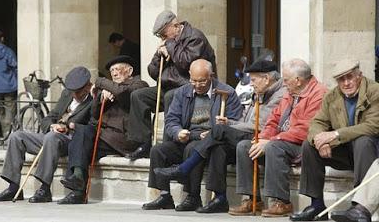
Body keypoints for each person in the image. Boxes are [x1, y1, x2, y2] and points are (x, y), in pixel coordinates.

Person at [154, 60, 286, 213]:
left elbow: (259, 125)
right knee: (217, 147)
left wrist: (228, 125)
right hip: (241, 135)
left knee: (217, 130)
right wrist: (229, 122)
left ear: (266, 79)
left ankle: (184, 168)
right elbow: (245, 119)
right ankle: (220, 198)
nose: (251, 84)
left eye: (254, 80)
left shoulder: (278, 95)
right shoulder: (261, 92)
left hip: (260, 137)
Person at [141, 59, 242, 210]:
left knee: (192, 148)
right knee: (158, 150)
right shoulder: (183, 92)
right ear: (189, 76)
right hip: (188, 136)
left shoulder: (227, 92)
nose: (197, 85)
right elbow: (171, 120)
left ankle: (193, 196)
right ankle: (164, 196)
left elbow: (235, 122)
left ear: (211, 76)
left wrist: (217, 129)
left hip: (211, 141)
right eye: (193, 80)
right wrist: (177, 132)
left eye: (202, 81)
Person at [232, 58, 327, 217]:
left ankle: (281, 202)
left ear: (298, 80)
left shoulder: (319, 93)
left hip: (300, 144)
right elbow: (273, 119)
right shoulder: (290, 92)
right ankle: (251, 198)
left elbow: (306, 129)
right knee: (244, 146)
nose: (284, 83)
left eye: (286, 79)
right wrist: (262, 138)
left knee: (273, 147)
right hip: (280, 141)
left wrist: (271, 140)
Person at [291, 59, 379, 221]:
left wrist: (334, 135)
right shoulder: (332, 96)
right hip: (346, 152)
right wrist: (320, 140)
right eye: (341, 79)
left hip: (371, 154)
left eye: (350, 77)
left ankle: (359, 207)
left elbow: (373, 126)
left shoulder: (375, 92)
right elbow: (317, 123)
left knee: (363, 140)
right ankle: (316, 204)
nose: (346, 83)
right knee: (309, 146)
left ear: (359, 76)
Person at [0, 67, 93, 203]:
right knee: (17, 136)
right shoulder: (67, 94)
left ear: (88, 87)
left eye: (78, 92)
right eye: (72, 91)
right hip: (53, 137)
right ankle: (13, 187)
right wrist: (51, 125)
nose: (74, 95)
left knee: (51, 137)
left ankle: (44, 189)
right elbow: (50, 117)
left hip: (71, 141)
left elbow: (89, 128)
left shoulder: (93, 100)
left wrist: (66, 127)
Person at [125, 10, 217, 161]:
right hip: (169, 86)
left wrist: (170, 45)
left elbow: (186, 63)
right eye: (160, 35)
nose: (162, 38)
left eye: (163, 33)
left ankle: (169, 147)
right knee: (138, 96)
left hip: (192, 87)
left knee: (171, 97)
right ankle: (143, 144)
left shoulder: (195, 37)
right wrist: (158, 56)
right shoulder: (169, 42)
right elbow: (153, 72)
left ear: (175, 26)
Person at [57, 56, 148, 204]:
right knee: (81, 136)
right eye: (111, 71)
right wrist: (99, 97)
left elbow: (123, 93)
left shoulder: (139, 85)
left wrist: (100, 82)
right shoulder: (110, 88)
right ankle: (77, 182)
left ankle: (78, 188)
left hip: (123, 138)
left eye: (117, 69)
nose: (114, 73)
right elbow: (94, 114)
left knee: (81, 140)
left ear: (129, 71)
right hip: (105, 137)